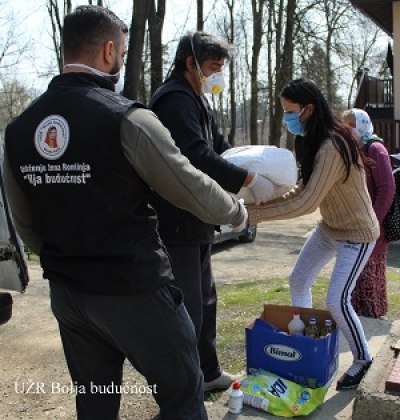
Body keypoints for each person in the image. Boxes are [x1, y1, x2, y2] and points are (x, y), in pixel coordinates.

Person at [3, 6, 248, 420]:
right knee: (181, 393)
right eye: (120, 52)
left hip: (68, 293)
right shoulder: (125, 117)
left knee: (95, 399)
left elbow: (24, 221)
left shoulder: (19, 129)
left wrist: (62, 257)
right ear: (110, 51)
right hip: (131, 287)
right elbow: (186, 183)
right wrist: (236, 212)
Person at [148, 31, 274, 392]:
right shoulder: (174, 101)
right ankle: (183, 386)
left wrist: (252, 168)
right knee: (186, 307)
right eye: (213, 67)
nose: (217, 74)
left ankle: (208, 371)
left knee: (206, 299)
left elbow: (220, 148)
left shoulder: (196, 98)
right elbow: (196, 155)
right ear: (190, 64)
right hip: (176, 219)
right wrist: (246, 178)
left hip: (198, 218)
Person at [247, 78, 380, 390]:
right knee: (299, 279)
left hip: (357, 234)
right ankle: (305, 342)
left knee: (337, 300)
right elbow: (301, 191)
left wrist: (251, 215)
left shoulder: (333, 144)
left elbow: (306, 203)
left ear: (309, 109)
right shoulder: (312, 140)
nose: (287, 118)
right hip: (329, 228)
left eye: (290, 111)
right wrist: (255, 206)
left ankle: (363, 358)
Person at [343, 108, 395, 318]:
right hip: (356, 226)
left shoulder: (375, 149)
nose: (346, 130)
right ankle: (358, 320)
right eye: (344, 125)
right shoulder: (355, 150)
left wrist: (374, 219)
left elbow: (387, 188)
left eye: (350, 125)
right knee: (354, 277)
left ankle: (372, 321)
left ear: (362, 125)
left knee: (369, 276)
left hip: (373, 227)